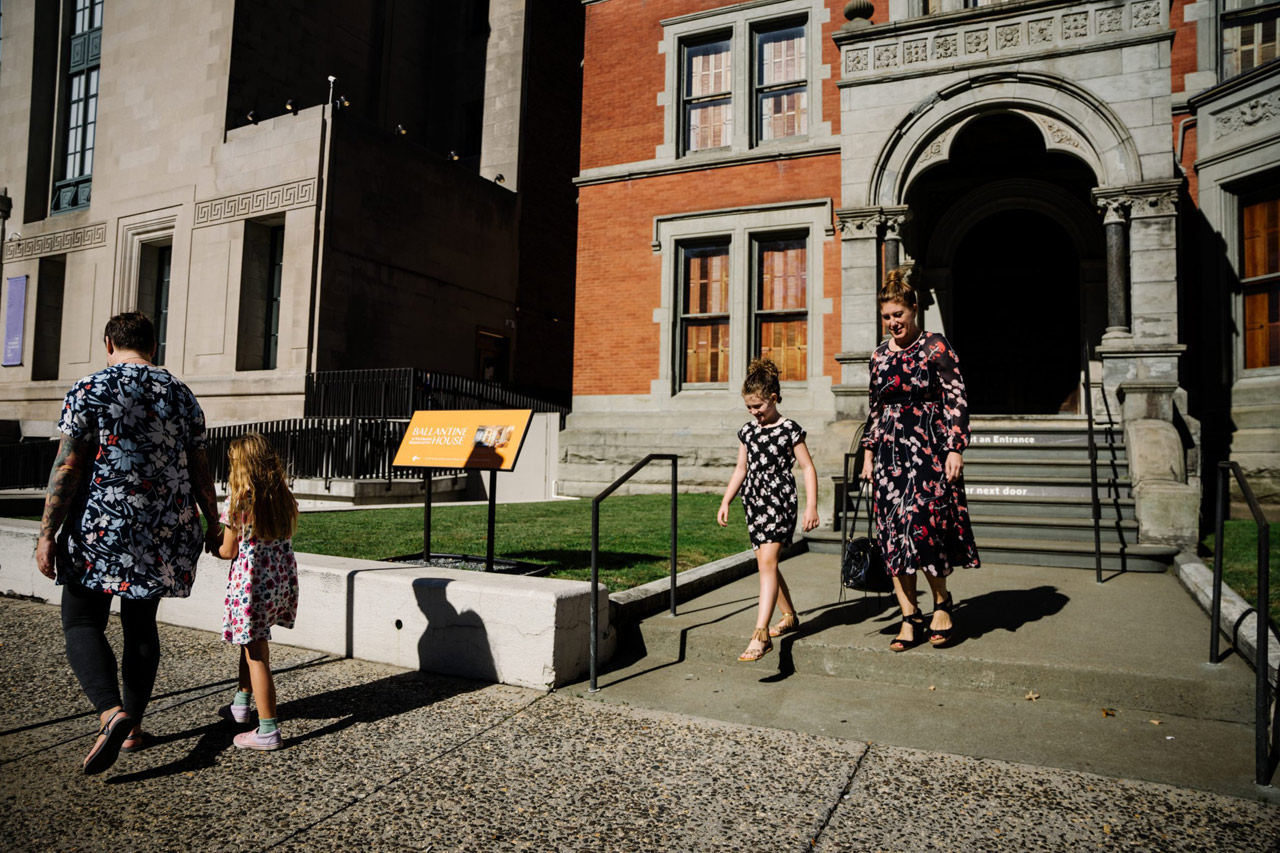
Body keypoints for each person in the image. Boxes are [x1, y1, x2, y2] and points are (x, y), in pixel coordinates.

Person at [35, 312, 220, 774]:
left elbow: (69, 466)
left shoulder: (91, 388)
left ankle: (110, 712)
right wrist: (214, 523)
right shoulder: (181, 393)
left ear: (108, 343)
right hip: (164, 529)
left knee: (81, 621)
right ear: (153, 347)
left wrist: (46, 533)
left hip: (102, 527)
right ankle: (133, 728)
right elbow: (200, 469)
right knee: (141, 626)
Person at [860, 268, 980, 651]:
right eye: (887, 316)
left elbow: (957, 399)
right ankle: (909, 615)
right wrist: (867, 454)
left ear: (914, 309)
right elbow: (875, 409)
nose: (894, 322)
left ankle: (941, 602)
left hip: (929, 447)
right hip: (889, 453)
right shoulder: (879, 357)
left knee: (924, 525)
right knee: (893, 535)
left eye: (899, 314)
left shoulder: (936, 346)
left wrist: (956, 447)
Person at [717, 359, 820, 662]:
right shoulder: (747, 432)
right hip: (754, 501)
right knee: (766, 562)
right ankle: (788, 615)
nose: (754, 412)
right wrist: (726, 500)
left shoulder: (790, 429)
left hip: (780, 500)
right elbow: (740, 469)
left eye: (758, 406)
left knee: (768, 562)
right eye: (749, 407)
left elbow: (808, 468)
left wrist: (811, 506)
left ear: (773, 398)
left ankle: (760, 635)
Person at [211, 432, 299, 751]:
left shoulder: (240, 499)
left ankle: (268, 730)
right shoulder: (281, 495)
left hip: (251, 586)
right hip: (275, 582)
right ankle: (240, 703)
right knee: (248, 645)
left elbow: (228, 550)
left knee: (256, 653)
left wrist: (211, 545)